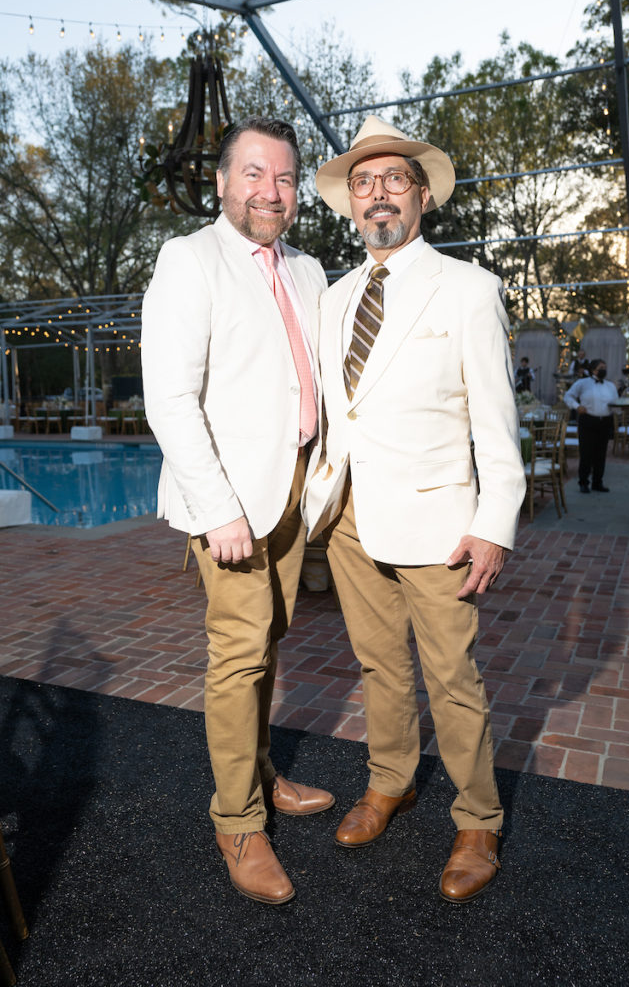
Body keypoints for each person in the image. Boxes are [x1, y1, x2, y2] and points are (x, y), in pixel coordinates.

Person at [303, 116, 526, 904]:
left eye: (393, 179)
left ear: (422, 195)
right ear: (350, 204)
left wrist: (495, 521)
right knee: (378, 668)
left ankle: (477, 820)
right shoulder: (332, 299)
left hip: (439, 522)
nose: (377, 195)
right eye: (363, 183)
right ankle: (389, 783)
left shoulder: (468, 289)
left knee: (451, 677)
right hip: (352, 519)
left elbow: (496, 420)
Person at [141, 116, 333, 906]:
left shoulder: (311, 269)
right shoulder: (188, 261)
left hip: (294, 489)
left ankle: (259, 771)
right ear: (222, 183)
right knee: (239, 657)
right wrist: (218, 510)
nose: (271, 191)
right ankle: (237, 821)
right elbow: (171, 398)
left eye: (285, 178)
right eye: (253, 174)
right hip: (229, 504)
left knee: (270, 643)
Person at [564, 358, 619, 494]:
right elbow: (568, 396)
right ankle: (583, 482)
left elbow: (616, 405)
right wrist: (577, 406)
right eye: (601, 367)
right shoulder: (582, 383)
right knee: (586, 453)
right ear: (593, 369)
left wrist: (624, 409)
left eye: (605, 367)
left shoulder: (610, 386)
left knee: (600, 454)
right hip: (587, 421)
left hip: (605, 421)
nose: (603, 370)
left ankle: (597, 482)